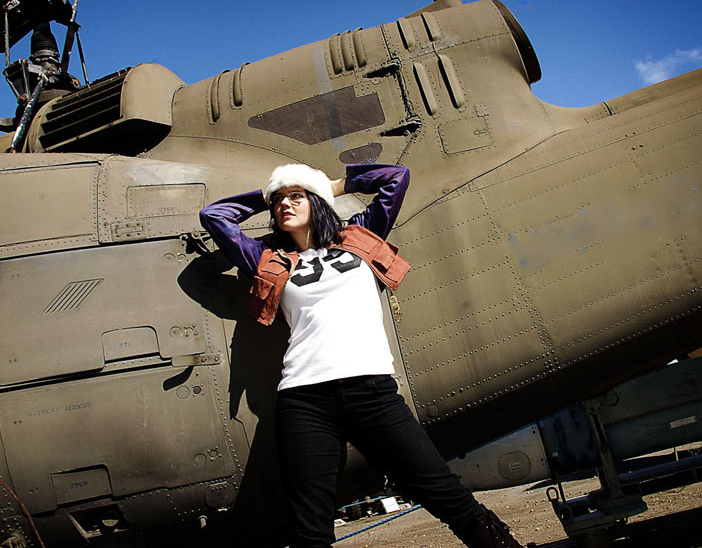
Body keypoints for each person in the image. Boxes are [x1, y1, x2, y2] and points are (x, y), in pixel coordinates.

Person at [199, 163, 521, 548]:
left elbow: (396, 178)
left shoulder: (359, 237)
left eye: (296, 196)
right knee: (310, 530)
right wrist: (267, 194)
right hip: (304, 400)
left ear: (317, 201)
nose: (285, 203)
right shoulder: (266, 257)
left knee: (446, 494)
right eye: (280, 199)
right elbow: (214, 216)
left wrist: (333, 185)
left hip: (372, 393)